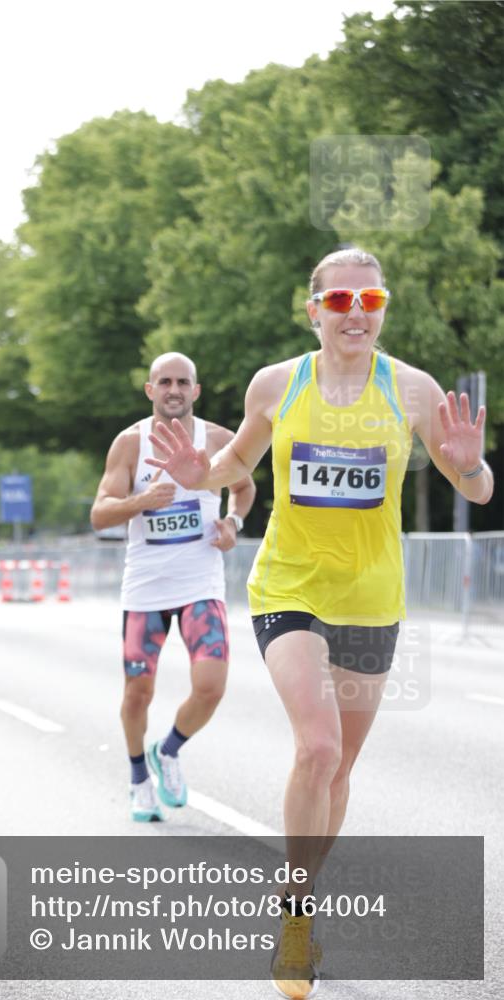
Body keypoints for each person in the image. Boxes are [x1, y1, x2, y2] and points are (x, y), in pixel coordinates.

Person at [146, 249, 494, 999]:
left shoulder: (412, 389)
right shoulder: (278, 384)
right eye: (339, 300)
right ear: (313, 310)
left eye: (369, 298)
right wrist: (193, 476)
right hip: (289, 585)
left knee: (338, 770)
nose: (355, 312)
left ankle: (301, 891)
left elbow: (476, 480)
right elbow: (232, 463)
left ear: (382, 308)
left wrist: (468, 466)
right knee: (318, 745)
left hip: (371, 596)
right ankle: (296, 919)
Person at [90, 352, 255, 823]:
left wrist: (231, 522)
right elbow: (100, 513)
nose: (174, 389)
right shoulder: (129, 444)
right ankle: (139, 775)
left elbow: (245, 489)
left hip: (201, 582)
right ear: (150, 390)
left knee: (211, 686)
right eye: (165, 381)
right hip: (146, 587)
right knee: (137, 693)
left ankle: (169, 750)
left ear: (196, 391)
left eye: (183, 381)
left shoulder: (219, 440)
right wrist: (141, 501)